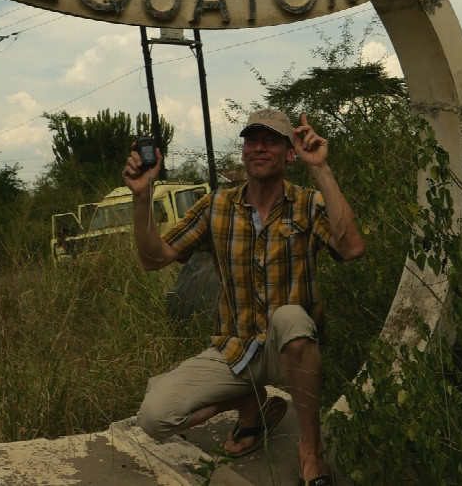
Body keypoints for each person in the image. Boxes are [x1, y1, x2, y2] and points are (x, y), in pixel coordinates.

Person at [124, 108, 365, 486]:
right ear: (243, 151)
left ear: (290, 153)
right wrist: (142, 196)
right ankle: (250, 404)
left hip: (289, 349)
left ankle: (311, 450)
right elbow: (154, 259)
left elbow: (351, 248)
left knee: (289, 317)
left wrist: (320, 168)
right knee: (154, 417)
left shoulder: (306, 203)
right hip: (234, 349)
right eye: (252, 140)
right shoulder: (217, 206)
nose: (260, 148)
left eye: (272, 140)